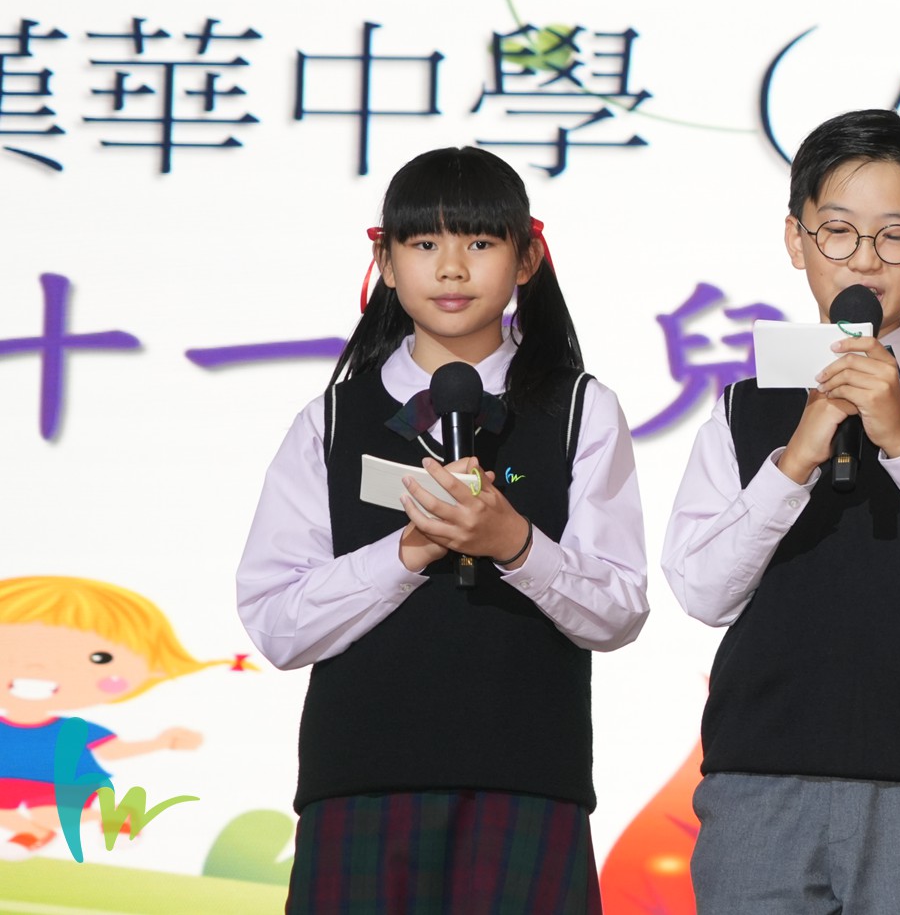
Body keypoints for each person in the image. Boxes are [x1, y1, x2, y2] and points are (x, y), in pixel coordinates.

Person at [236, 146, 648, 915]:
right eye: (424, 243)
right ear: (385, 263)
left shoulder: (579, 409)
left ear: (526, 259)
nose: (452, 267)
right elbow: (278, 624)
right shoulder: (332, 419)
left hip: (528, 786)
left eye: (480, 242)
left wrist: (514, 544)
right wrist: (409, 550)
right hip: (360, 786)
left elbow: (618, 610)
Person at [663, 108, 900, 915]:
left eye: (895, 236)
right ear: (796, 239)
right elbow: (700, 588)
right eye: (837, 231)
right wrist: (796, 455)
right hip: (758, 773)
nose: (865, 258)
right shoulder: (744, 403)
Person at [0, 575, 235, 859]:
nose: (36, 666)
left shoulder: (74, 729)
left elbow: (113, 751)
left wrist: (162, 743)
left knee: (48, 814)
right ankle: (33, 834)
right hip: (8, 779)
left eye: (99, 658)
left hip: (61, 781)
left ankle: (112, 817)